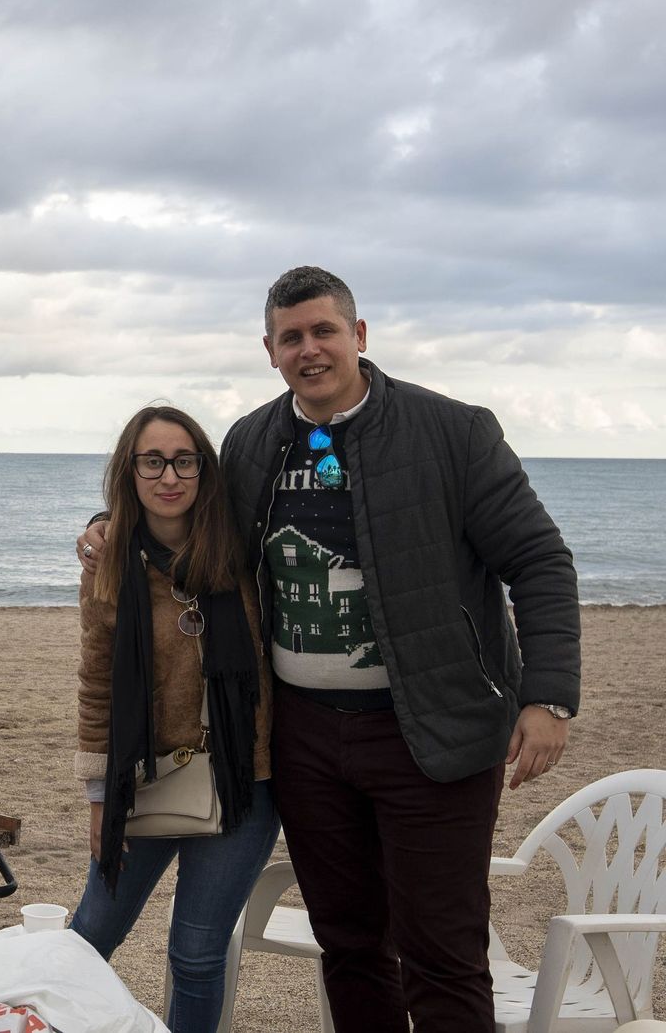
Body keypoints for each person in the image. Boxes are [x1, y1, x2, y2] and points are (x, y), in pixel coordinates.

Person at [78, 266, 579, 1032]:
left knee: (441, 950)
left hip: (435, 733)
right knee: (348, 943)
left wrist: (547, 696)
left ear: (359, 336)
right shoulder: (253, 442)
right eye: (291, 337)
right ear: (270, 351)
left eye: (324, 331)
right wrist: (109, 527)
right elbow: (188, 524)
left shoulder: (452, 431)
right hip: (306, 739)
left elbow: (539, 560)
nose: (309, 349)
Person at [69, 408, 275, 1033]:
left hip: (246, 782)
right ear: (128, 471)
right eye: (152, 461)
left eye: (184, 460)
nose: (169, 476)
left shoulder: (244, 550)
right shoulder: (109, 563)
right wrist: (102, 797)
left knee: (197, 954)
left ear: (203, 469)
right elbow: (97, 685)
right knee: (86, 937)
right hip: (146, 776)